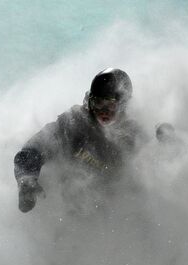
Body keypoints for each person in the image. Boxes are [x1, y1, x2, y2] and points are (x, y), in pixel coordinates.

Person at [13, 68, 147, 213]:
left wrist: (167, 139)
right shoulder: (74, 124)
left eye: (110, 105)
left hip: (115, 212)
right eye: (98, 103)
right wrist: (27, 178)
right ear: (89, 101)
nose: (103, 111)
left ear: (123, 106)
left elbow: (158, 162)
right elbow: (35, 147)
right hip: (70, 210)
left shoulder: (133, 136)